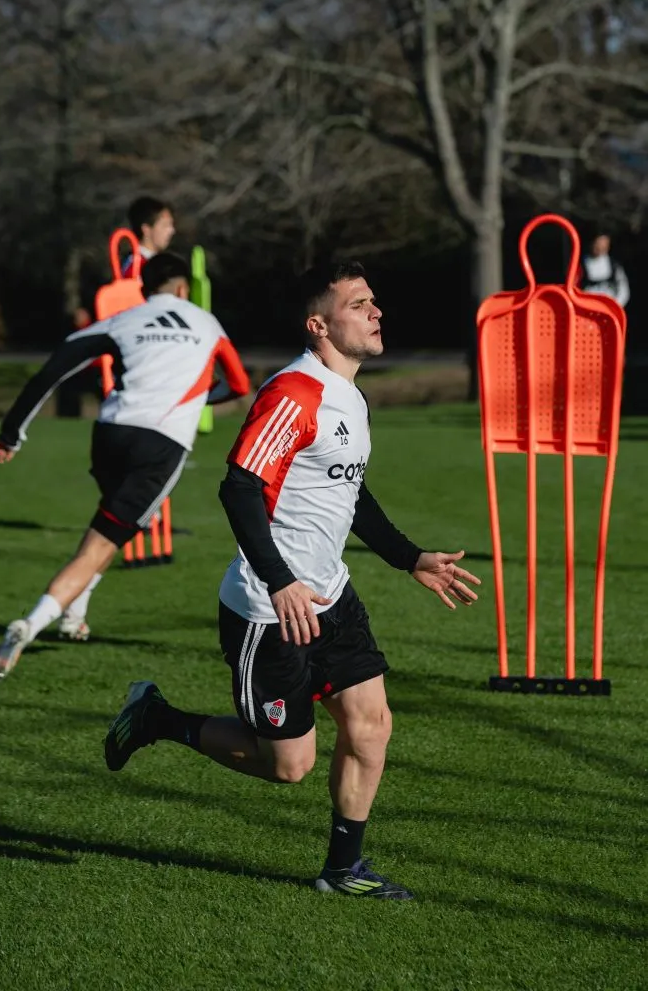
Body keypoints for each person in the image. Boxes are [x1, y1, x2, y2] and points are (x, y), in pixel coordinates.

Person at [103, 260, 481, 900]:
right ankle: (158, 718)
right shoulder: (293, 393)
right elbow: (240, 485)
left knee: (371, 724)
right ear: (319, 325)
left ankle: (343, 871)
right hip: (269, 610)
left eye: (373, 301)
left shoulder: (351, 397)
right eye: (358, 304)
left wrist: (409, 557)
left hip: (330, 596)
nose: (375, 311)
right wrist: (279, 581)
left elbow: (351, 493)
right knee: (289, 766)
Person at [0, 252, 250, 683]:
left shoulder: (125, 319)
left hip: (110, 433)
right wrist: (200, 399)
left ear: (145, 290)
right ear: (184, 289)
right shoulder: (207, 324)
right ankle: (30, 625)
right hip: (161, 443)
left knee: (111, 525)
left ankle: (76, 614)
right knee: (103, 543)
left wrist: (12, 433)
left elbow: (54, 369)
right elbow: (239, 385)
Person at [121, 197, 176, 277]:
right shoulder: (136, 268)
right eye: (165, 225)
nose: (171, 231)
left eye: (171, 225)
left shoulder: (158, 263)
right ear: (146, 229)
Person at [579, 231, 630, 307]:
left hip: (610, 308)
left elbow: (623, 289)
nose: (600, 247)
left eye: (603, 244)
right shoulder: (580, 265)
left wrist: (616, 305)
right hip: (588, 307)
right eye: (598, 244)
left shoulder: (614, 265)